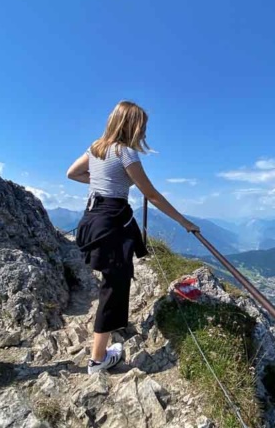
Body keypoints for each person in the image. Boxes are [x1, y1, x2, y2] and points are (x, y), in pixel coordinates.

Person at [67, 100, 200, 374]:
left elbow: (72, 173)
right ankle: (97, 360)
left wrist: (98, 183)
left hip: (92, 218)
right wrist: (184, 222)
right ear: (133, 126)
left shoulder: (96, 147)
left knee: (113, 281)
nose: (144, 133)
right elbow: (150, 194)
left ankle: (105, 338)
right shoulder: (126, 153)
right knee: (113, 287)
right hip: (112, 222)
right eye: (142, 127)